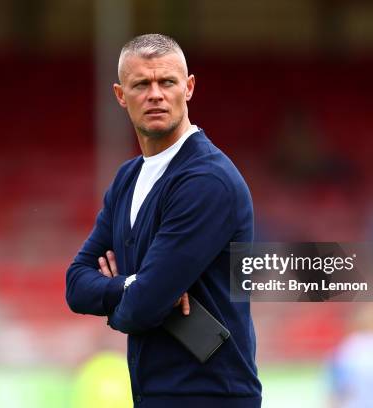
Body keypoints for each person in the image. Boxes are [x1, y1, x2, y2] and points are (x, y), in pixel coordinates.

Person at [65, 33, 262, 407]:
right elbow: (76, 283)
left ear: (188, 88)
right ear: (121, 95)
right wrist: (136, 284)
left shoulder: (207, 180)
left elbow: (144, 307)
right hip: (154, 394)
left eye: (166, 82)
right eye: (141, 84)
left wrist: (132, 293)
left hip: (211, 396)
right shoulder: (127, 178)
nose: (155, 93)